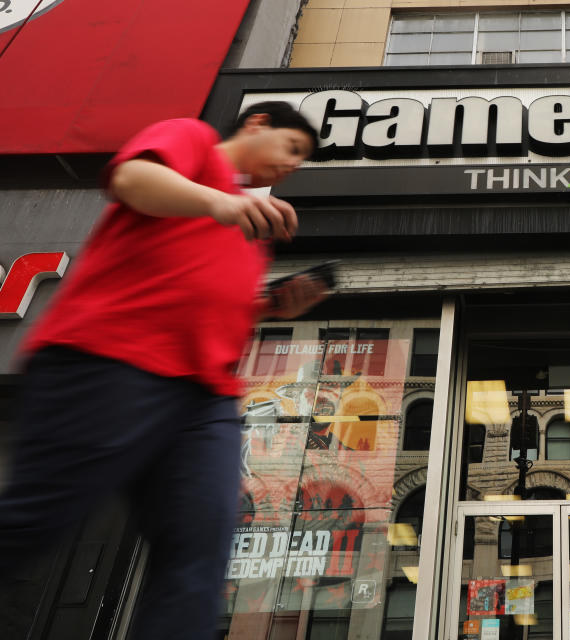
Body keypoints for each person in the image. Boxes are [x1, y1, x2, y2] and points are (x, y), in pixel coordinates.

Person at [0, 102, 327, 639]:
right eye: (293, 149)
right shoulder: (193, 143)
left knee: (199, 553)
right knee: (35, 522)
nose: (294, 165)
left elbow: (206, 299)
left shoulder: (249, 224)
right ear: (258, 124)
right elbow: (131, 178)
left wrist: (270, 306)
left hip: (204, 398)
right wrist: (218, 202)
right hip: (109, 360)